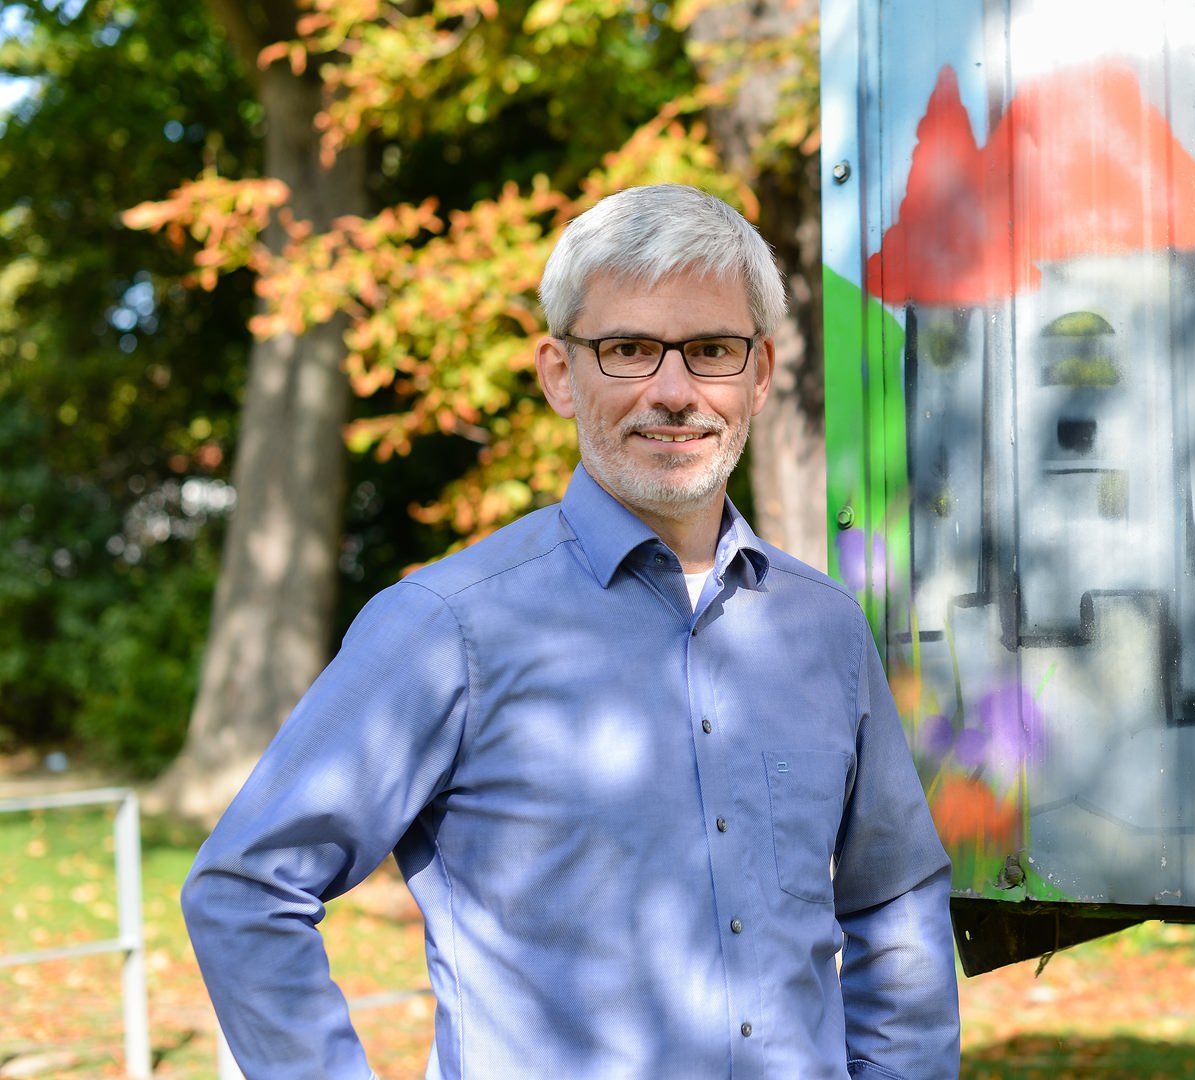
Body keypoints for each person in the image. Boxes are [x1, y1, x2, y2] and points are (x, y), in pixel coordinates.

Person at [181, 184, 961, 1079]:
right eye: (628, 350)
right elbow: (247, 889)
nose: (673, 392)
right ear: (559, 373)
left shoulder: (823, 626)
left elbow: (895, 897)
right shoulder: (447, 628)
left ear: (760, 374)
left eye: (710, 351)